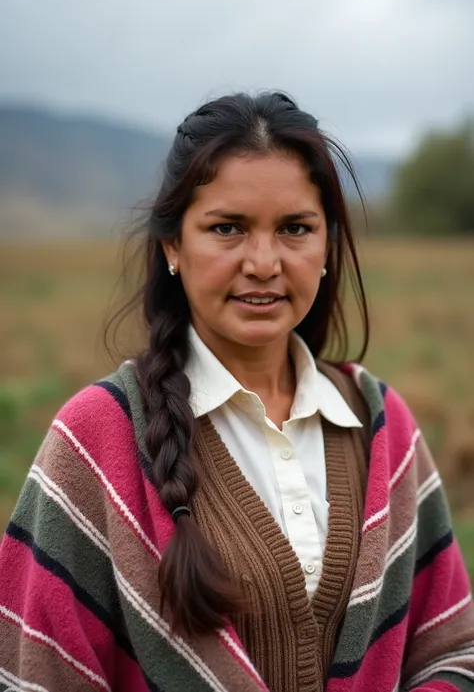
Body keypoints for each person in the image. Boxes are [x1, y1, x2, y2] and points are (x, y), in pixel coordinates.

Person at [0, 92, 473, 692]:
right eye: (227, 228)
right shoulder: (98, 435)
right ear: (173, 246)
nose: (264, 262)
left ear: (327, 247)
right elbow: (35, 673)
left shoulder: (382, 426)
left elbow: (453, 652)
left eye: (296, 229)